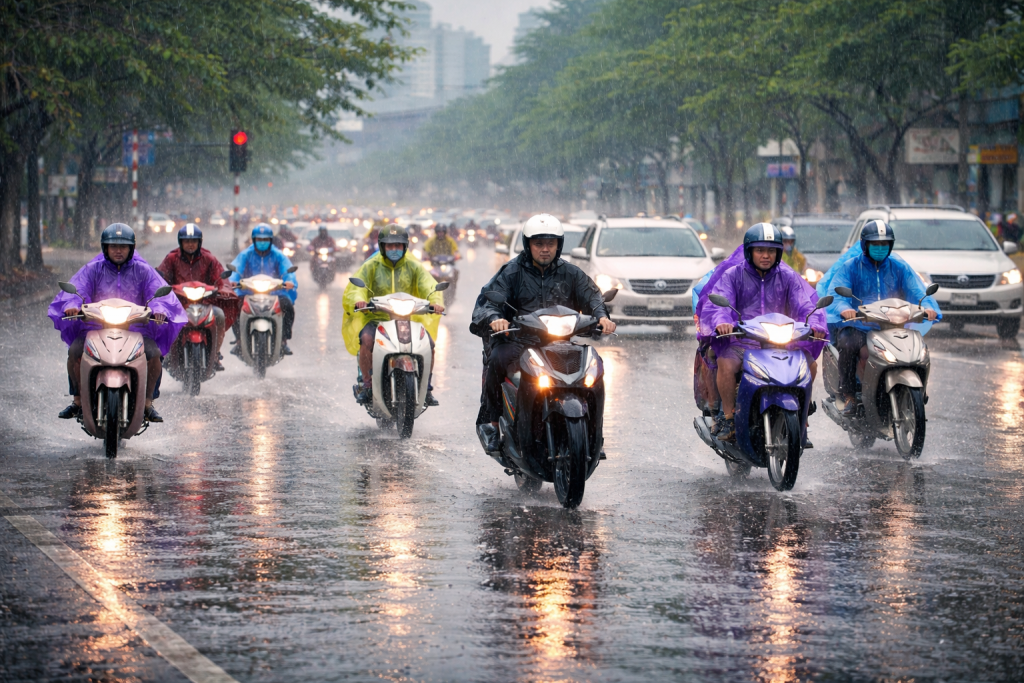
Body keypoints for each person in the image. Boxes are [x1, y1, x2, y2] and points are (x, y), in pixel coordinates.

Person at [471, 213, 616, 452]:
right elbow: (489, 302)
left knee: (595, 367)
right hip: (520, 341)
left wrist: (602, 317)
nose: (545, 249)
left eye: (550, 243)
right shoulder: (512, 271)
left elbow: (593, 297)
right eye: (539, 244)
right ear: (528, 245)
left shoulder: (571, 273)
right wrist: (495, 319)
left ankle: (594, 434)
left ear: (559, 245)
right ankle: (493, 424)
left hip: (561, 342)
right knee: (497, 358)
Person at [48, 224, 186, 422]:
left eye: (123, 246)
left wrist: (159, 309)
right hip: (95, 328)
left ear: (132, 248)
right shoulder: (93, 269)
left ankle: (148, 403)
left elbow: (158, 294)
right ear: (105, 248)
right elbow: (78, 289)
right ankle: (77, 400)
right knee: (75, 351)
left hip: (136, 330)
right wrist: (72, 304)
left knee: (154, 354)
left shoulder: (143, 271)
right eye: (113, 246)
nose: (118, 250)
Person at [705, 223, 827, 442]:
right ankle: (729, 418)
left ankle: (802, 414)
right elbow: (721, 304)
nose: (765, 256)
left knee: (810, 365)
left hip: (782, 342)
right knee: (726, 363)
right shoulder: (733, 275)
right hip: (744, 341)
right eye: (760, 250)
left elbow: (805, 305)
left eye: (771, 251)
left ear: (778, 253)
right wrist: (723, 321)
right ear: (749, 251)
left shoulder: (788, 277)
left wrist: (815, 323)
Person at [826, 220, 939, 415]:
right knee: (848, 344)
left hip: (892, 325)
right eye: (875, 244)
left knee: (918, 350)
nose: (880, 248)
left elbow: (917, 291)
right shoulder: (851, 267)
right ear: (865, 245)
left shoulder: (899, 268)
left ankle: (919, 390)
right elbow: (837, 294)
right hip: (860, 326)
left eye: (884, 244)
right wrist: (845, 308)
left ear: (891, 245)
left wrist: (927, 307)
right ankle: (849, 395)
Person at [342, 225, 445, 406]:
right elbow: (357, 289)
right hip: (375, 319)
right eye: (390, 246)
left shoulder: (414, 266)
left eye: (398, 245)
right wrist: (359, 301)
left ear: (405, 246)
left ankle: (426, 388)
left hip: (407, 318)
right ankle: (367, 385)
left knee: (428, 344)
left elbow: (429, 286)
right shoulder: (371, 266)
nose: (394, 249)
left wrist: (435, 301)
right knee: (366, 339)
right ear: (382, 247)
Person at [157, 223, 239, 371]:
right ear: (180, 242)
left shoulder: (209, 259)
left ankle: (215, 353)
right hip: (178, 304)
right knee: (163, 318)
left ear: (199, 242)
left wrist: (223, 289)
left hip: (205, 303)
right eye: (187, 241)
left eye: (193, 241)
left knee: (219, 315)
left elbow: (221, 280)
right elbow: (160, 278)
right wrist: (163, 289)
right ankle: (168, 353)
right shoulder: (171, 258)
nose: (190, 244)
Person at [229, 223, 298, 355]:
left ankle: (283, 340)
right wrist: (232, 281)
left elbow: (287, 270)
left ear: (271, 240)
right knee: (234, 307)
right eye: (259, 239)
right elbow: (236, 269)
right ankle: (239, 340)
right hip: (248, 291)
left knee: (288, 306)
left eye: (265, 239)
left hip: (275, 292)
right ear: (254, 240)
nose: (262, 242)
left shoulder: (278, 255)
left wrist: (289, 281)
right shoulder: (246, 254)